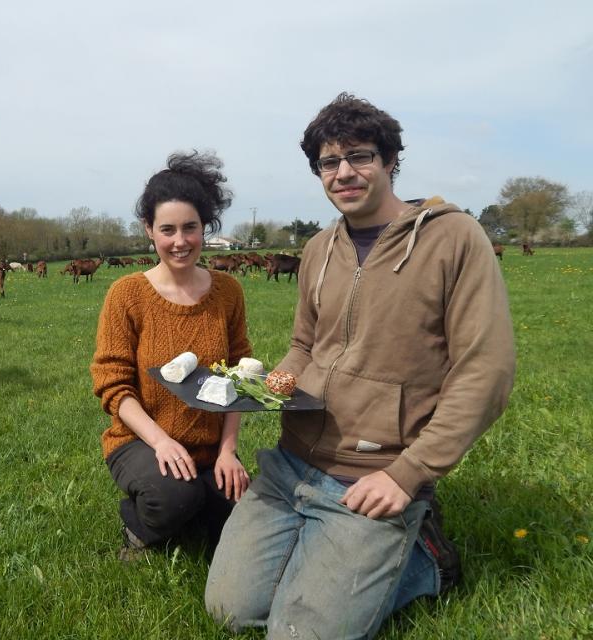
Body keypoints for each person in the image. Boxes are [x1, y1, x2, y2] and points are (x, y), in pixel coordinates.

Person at [206, 93, 516, 638]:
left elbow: (485, 372)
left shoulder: (453, 237)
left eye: (361, 156)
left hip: (372, 474)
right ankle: (327, 551)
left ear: (391, 160)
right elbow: (305, 344)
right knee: (232, 612)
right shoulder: (320, 247)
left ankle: (425, 556)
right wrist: (269, 386)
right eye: (330, 162)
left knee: (299, 634)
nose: (344, 172)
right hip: (291, 462)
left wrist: (409, 473)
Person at [91, 151, 252, 560]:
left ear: (205, 227)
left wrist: (228, 451)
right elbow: (113, 384)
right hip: (140, 440)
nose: (180, 241)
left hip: (209, 446)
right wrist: (161, 442)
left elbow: (240, 377)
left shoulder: (228, 291)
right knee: (173, 497)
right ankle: (139, 527)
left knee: (245, 510)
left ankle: (199, 502)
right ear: (149, 230)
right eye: (167, 230)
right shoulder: (127, 294)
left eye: (190, 228)